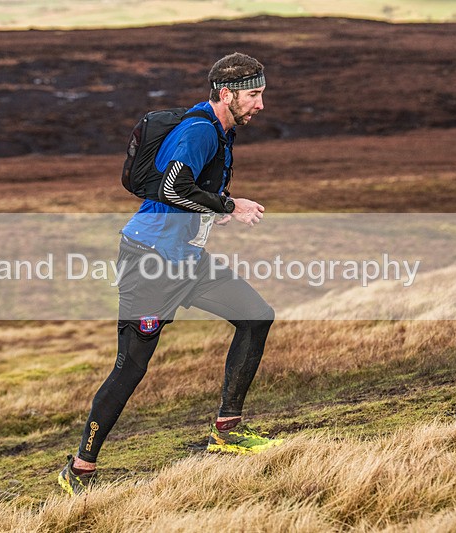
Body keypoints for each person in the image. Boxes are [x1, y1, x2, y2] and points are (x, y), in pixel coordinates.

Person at [58, 52, 280, 496]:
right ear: (226, 93)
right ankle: (79, 471)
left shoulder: (220, 130)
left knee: (256, 317)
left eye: (261, 94)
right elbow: (174, 186)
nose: (260, 104)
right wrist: (230, 207)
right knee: (131, 367)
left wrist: (209, 212)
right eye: (253, 95)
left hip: (186, 258)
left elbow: (185, 190)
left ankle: (227, 431)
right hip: (150, 261)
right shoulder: (200, 130)